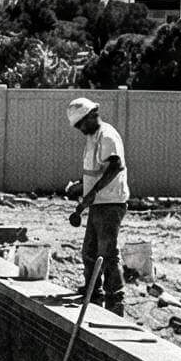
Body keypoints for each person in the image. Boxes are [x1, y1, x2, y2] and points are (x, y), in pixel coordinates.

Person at [66, 97, 131, 313]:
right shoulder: (92, 137)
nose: (80, 129)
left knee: (108, 252)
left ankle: (116, 299)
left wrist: (92, 192)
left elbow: (115, 166)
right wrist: (81, 186)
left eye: (81, 124)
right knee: (90, 251)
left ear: (91, 117)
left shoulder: (107, 136)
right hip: (99, 203)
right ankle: (94, 292)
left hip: (111, 203)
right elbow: (96, 170)